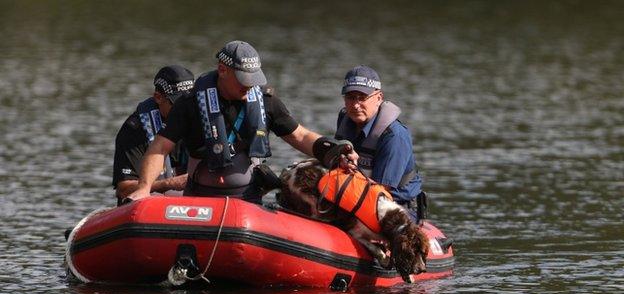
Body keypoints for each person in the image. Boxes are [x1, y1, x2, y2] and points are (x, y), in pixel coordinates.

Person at [125, 40, 356, 203]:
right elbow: (159, 147)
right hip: (200, 196)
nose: (249, 86)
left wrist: (332, 151)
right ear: (223, 70)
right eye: (243, 79)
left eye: (254, 79)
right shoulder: (190, 103)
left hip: (248, 196)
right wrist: (144, 188)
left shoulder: (265, 101)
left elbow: (300, 136)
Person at [334, 65, 426, 222]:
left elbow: (380, 194)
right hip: (357, 195)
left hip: (397, 207)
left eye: (362, 97)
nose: (355, 105)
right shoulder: (345, 119)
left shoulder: (394, 136)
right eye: (350, 97)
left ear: (378, 98)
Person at [113, 65, 195, 205]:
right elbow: (123, 189)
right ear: (158, 97)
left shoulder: (200, 121)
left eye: (188, 103)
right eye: (178, 105)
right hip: (150, 206)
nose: (184, 110)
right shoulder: (134, 130)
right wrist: (169, 183)